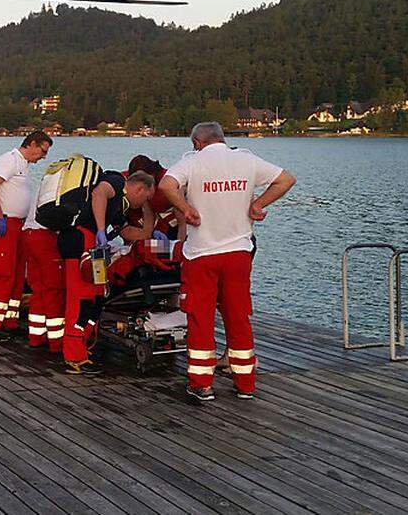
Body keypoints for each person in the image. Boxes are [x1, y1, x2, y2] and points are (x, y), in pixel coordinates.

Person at [159, 121, 295, 402]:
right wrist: (258, 204)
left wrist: (185, 209)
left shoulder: (192, 163)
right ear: (222, 139)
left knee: (200, 317)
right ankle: (245, 383)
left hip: (201, 255)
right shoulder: (246, 159)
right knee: (237, 316)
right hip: (238, 253)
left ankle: (201, 383)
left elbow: (166, 185)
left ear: (197, 143)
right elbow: (285, 180)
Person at [58, 170, 156, 373]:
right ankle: (73, 356)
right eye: (145, 197)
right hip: (79, 239)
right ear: (138, 188)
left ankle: (82, 347)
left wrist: (149, 220)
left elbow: (131, 232)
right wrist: (101, 230)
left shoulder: (120, 207)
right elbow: (99, 194)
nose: (143, 202)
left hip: (92, 243)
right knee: (80, 299)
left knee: (96, 297)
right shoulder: (116, 181)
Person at [0, 131, 52, 341]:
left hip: (19, 225)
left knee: (18, 274)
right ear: (31, 144)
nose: (43, 156)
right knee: (4, 274)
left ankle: (8, 320)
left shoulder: (24, 166)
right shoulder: (9, 160)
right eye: (42, 151)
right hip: (6, 224)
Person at [21, 188, 65, 352]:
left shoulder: (44, 184)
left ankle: (36, 337)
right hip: (45, 237)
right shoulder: (66, 188)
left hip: (28, 233)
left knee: (38, 289)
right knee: (54, 290)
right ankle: (56, 342)